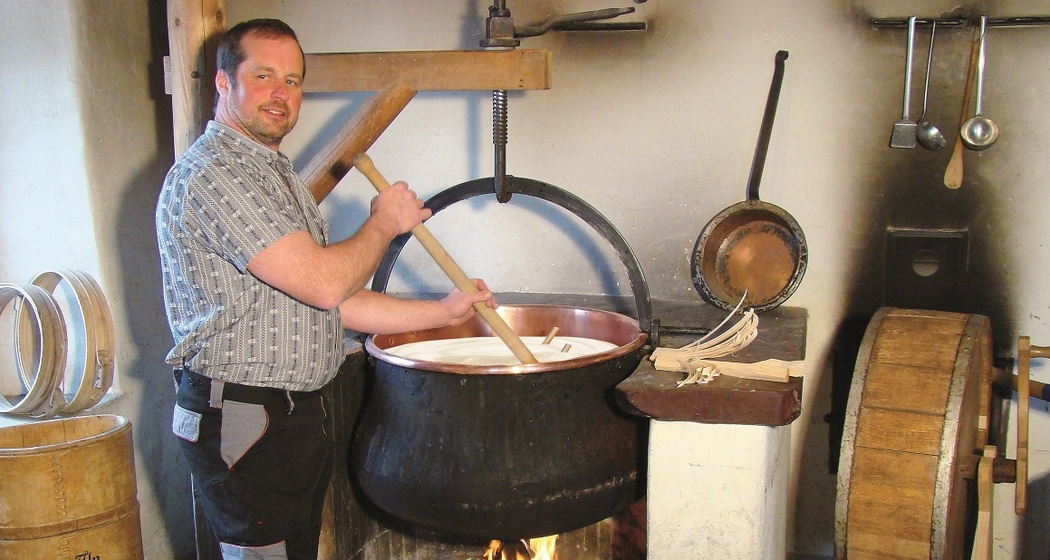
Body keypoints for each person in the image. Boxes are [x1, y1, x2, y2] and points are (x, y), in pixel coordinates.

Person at [155, 18, 496, 560]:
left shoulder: (272, 174)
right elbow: (324, 286)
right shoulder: (216, 174)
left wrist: (444, 311)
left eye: (292, 81)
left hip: (286, 414)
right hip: (246, 414)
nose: (280, 94)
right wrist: (384, 224)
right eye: (263, 75)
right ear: (224, 83)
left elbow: (337, 303)